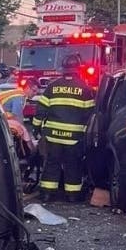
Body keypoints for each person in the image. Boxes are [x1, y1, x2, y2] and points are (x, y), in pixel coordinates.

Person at [32, 55, 95, 202]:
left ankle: (47, 194)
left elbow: (41, 110)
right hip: (74, 137)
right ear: (78, 69)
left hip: (52, 135)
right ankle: (72, 195)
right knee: (73, 164)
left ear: (64, 69)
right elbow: (90, 115)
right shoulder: (85, 89)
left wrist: (36, 127)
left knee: (51, 163)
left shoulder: (52, 86)